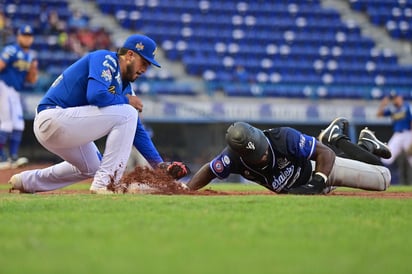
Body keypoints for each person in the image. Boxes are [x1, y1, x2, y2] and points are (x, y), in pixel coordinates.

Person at [8, 34, 189, 194]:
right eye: (144, 62)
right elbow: (95, 95)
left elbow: (136, 130)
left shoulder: (125, 86)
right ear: (130, 55)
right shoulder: (106, 59)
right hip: (52, 118)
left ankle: (26, 181)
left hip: (64, 126)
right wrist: (127, 101)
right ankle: (106, 184)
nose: (144, 69)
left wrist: (159, 166)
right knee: (128, 112)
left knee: (93, 166)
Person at [187, 117, 392, 195]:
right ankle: (366, 144)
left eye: (262, 149)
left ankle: (336, 137)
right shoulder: (231, 157)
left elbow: (325, 154)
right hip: (307, 189)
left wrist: (317, 182)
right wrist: (187, 191)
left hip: (319, 171)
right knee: (363, 161)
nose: (263, 156)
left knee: (383, 178)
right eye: (256, 155)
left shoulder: (283, 137)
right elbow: (209, 169)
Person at [0, 24, 38, 169]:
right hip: (4, 86)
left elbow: (31, 80)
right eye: (24, 35)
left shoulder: (30, 56)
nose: (26, 38)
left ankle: (13, 157)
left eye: (29, 36)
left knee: (18, 124)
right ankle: (1, 157)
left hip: (15, 91)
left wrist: (33, 69)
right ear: (18, 36)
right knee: (7, 123)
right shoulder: (11, 50)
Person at [377, 90, 412, 185]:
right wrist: (383, 104)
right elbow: (379, 114)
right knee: (386, 157)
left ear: (400, 97)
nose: (395, 100)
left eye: (396, 97)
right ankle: (384, 180)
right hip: (397, 135)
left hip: (408, 134)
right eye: (393, 98)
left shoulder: (407, 106)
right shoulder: (393, 109)